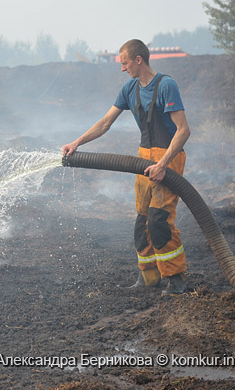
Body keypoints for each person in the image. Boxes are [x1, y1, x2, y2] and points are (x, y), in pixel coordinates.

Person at [61, 39, 191, 296]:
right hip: (143, 159)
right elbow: (105, 122)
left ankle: (177, 281)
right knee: (142, 222)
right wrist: (77, 142)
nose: (122, 68)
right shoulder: (129, 88)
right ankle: (149, 277)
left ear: (138, 60)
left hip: (168, 159)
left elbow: (183, 130)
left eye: (124, 63)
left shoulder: (166, 85)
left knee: (159, 221)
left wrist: (163, 164)